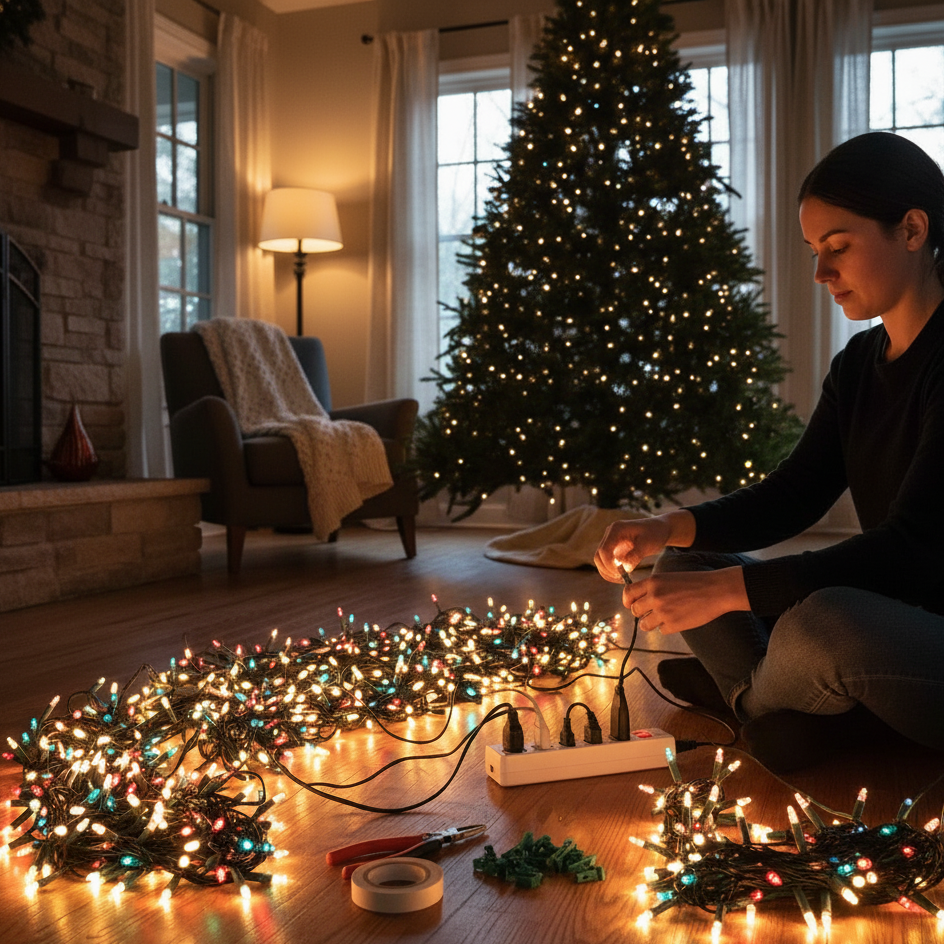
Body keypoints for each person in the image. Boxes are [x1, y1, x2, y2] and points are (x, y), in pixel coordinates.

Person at [594, 131, 944, 773]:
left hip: (924, 634)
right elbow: (796, 492)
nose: (820, 273)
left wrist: (739, 590)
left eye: (837, 248)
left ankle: (752, 702)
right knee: (686, 561)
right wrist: (666, 525)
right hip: (892, 613)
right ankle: (790, 708)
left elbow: (914, 553)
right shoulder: (860, 364)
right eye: (815, 251)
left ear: (913, 229)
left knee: (826, 624)